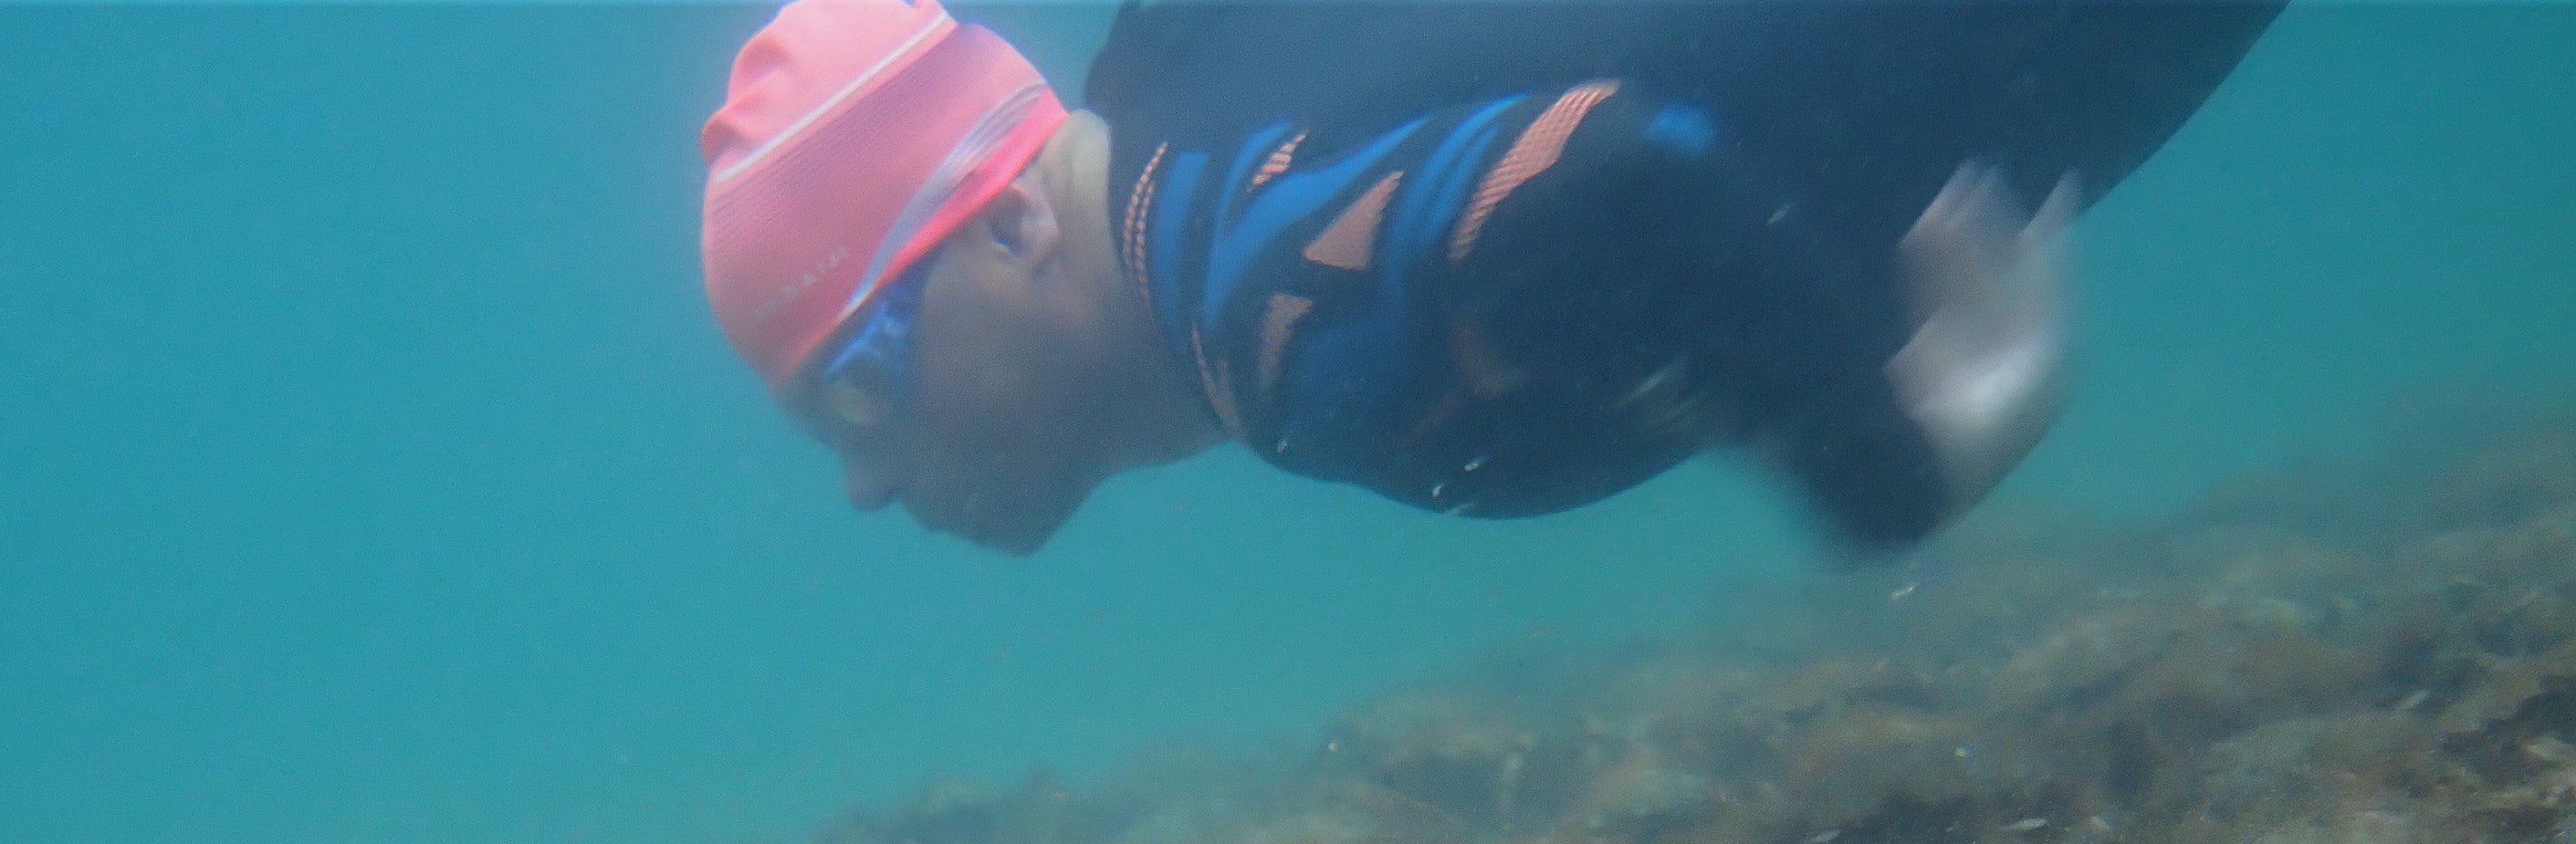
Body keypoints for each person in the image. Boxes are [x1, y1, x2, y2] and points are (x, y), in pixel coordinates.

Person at [701, 0, 2280, 554]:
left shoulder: (1254, 308)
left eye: (860, 386)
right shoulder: (1180, 61)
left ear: (1011, 225)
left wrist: (1891, 459)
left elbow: (1611, 174)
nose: (862, 484)